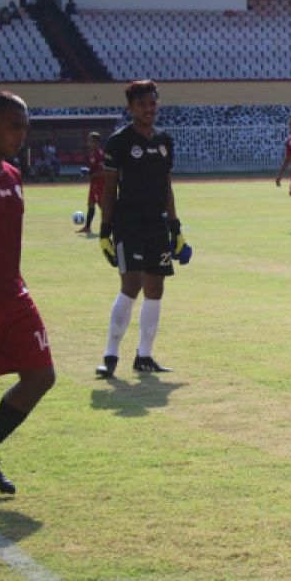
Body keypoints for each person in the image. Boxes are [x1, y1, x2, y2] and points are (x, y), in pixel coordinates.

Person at [95, 80, 185, 378]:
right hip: (127, 223)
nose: (149, 109)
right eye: (143, 104)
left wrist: (176, 227)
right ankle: (110, 355)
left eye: (153, 103)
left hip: (157, 224)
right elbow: (109, 190)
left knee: (156, 289)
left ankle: (144, 356)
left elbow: (167, 186)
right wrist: (105, 230)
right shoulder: (118, 142)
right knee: (131, 284)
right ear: (130, 108)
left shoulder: (164, 141)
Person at [0, 91, 57, 495]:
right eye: (15, 125)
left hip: (13, 296)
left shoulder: (13, 176)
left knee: (40, 376)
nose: (23, 133)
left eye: (25, 126)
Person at [77, 131, 105, 234]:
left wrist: (90, 175)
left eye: (91, 141)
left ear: (97, 143)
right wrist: (86, 171)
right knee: (91, 204)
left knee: (103, 206)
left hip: (100, 184)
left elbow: (102, 172)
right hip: (94, 183)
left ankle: (113, 226)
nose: (89, 143)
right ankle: (88, 227)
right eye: (89, 141)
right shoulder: (92, 154)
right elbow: (92, 168)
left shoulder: (100, 154)